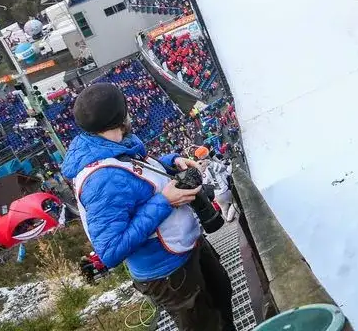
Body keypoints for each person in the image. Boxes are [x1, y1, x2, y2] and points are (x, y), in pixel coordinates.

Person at [62, 83, 235, 331]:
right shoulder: (101, 180)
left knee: (221, 296)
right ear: (118, 117)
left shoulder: (111, 144)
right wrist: (165, 202)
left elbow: (135, 175)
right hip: (169, 271)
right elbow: (110, 251)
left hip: (189, 246)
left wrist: (170, 162)